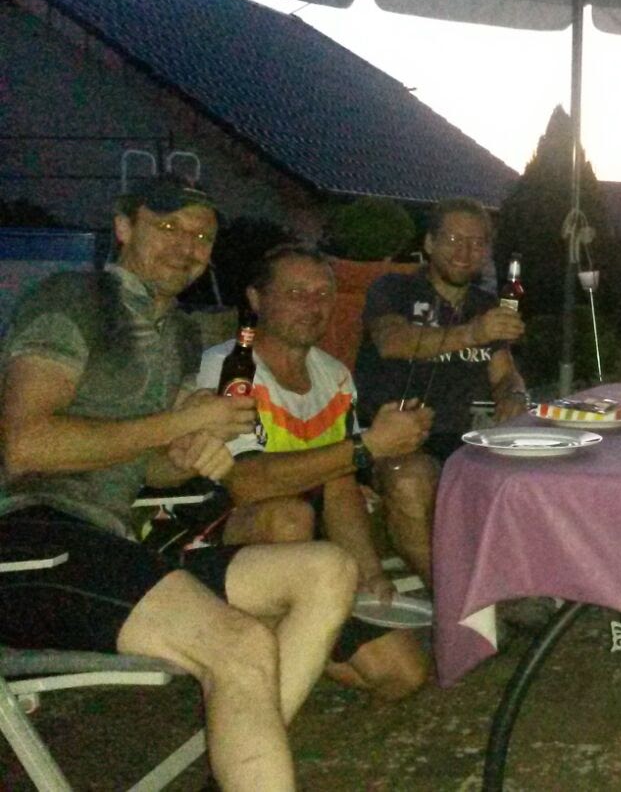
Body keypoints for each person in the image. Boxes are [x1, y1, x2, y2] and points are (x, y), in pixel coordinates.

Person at [0, 175, 356, 791]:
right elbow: (24, 446)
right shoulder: (72, 299)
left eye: (201, 235)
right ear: (123, 227)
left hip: (112, 541)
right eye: (167, 226)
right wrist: (180, 423)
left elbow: (150, 465)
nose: (186, 245)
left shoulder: (180, 334)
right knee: (240, 644)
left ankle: (240, 770)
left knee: (329, 570)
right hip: (28, 538)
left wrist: (190, 456)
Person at [188, 244, 435, 701]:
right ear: (257, 299)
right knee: (288, 518)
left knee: (403, 676)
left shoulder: (334, 376)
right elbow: (245, 483)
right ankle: (251, 677)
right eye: (295, 293)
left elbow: (340, 483)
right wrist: (368, 445)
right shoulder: (230, 367)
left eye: (323, 294)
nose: (312, 305)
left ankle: (284, 648)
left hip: (311, 561)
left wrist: (370, 573)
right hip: (215, 540)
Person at [353, 197, 528, 582]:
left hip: (469, 438)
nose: (465, 252)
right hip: (400, 439)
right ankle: (453, 598)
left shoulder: (486, 306)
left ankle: (530, 584)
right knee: (409, 479)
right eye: (453, 239)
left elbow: (505, 374)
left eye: (477, 242)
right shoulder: (395, 288)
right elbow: (392, 341)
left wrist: (513, 395)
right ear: (429, 243)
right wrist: (472, 333)